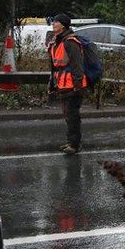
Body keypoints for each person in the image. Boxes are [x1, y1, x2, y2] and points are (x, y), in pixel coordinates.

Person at [47, 13, 85, 155]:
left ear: (62, 25)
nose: (53, 24)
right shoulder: (56, 41)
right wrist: (52, 84)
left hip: (73, 86)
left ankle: (74, 144)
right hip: (62, 84)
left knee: (72, 115)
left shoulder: (70, 42)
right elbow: (54, 66)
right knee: (67, 115)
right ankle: (71, 142)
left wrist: (77, 85)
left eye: (56, 22)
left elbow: (77, 65)